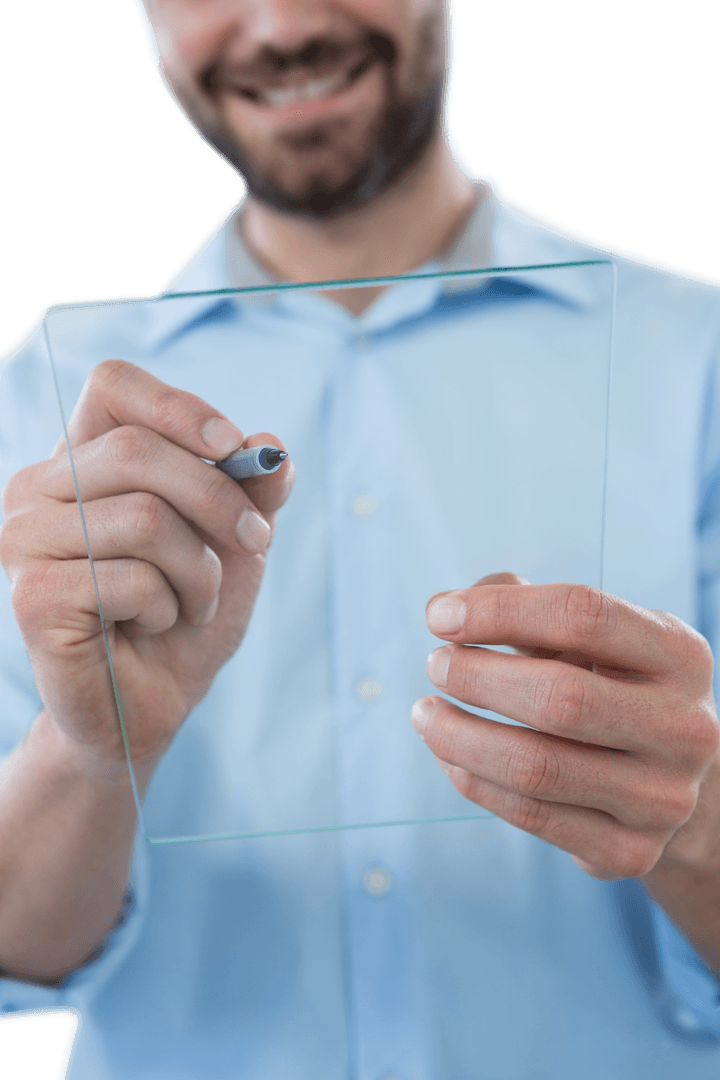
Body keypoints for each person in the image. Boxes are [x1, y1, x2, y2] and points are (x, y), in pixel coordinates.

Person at [1, 0, 720, 1076]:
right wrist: (93, 754)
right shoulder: (32, 412)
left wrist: (695, 825)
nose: (281, 22)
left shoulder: (698, 359)